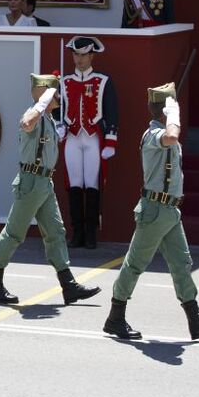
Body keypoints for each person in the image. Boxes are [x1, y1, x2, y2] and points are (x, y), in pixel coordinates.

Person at [103, 83, 199, 342]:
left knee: (182, 264)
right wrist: (174, 114)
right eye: (172, 106)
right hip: (154, 209)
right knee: (135, 264)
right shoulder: (153, 136)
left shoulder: (163, 130)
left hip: (169, 210)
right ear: (165, 111)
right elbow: (172, 137)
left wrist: (171, 114)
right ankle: (115, 317)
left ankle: (195, 320)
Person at [0, 72, 101, 306]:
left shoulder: (48, 119)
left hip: (44, 183)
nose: (59, 97)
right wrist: (42, 102)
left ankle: (69, 285)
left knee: (56, 232)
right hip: (31, 181)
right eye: (54, 93)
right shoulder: (34, 115)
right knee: (14, 232)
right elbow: (26, 123)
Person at [61, 36, 118, 249]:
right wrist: (60, 126)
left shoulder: (103, 81)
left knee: (92, 184)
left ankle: (92, 233)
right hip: (73, 138)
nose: (79, 59)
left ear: (92, 55)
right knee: (74, 184)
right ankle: (77, 232)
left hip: (94, 138)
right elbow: (59, 111)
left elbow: (112, 112)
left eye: (83, 54)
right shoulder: (65, 81)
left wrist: (111, 142)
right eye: (76, 54)